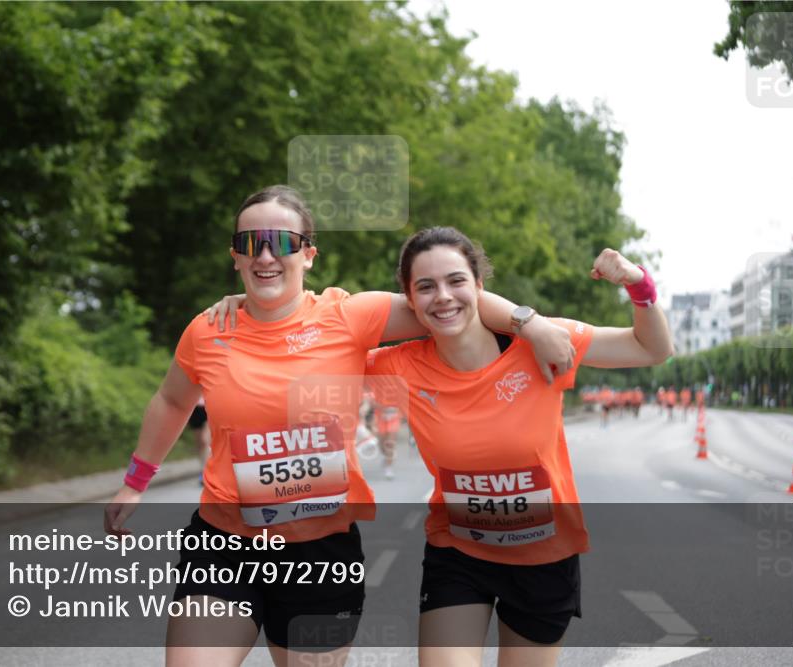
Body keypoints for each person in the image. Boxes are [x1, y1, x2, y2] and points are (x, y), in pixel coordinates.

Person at [104, 185, 576, 667]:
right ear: (236, 256)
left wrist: (529, 323)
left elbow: (449, 299)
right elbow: (171, 401)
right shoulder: (208, 330)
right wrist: (135, 482)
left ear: (308, 254)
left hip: (321, 555)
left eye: (282, 242)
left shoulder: (349, 316)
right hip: (225, 545)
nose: (265, 255)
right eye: (250, 243)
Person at [362, 227, 672, 667]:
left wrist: (637, 284)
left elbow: (651, 348)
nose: (443, 296)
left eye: (456, 281)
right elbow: (318, 346)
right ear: (409, 301)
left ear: (480, 285)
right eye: (425, 287)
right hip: (459, 552)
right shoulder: (398, 366)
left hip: (544, 557)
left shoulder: (543, 345)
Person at [188, 396, 210, 484]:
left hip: (208, 405)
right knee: (199, 444)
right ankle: (203, 469)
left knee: (204, 440)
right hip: (194, 407)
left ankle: (207, 472)